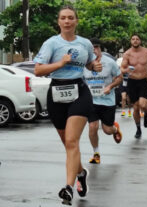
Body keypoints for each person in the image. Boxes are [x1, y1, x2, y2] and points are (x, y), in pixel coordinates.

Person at [33, 5, 102, 205]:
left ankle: (68, 188)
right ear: (59, 21)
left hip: (79, 92)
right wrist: (59, 64)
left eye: (71, 18)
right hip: (56, 93)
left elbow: (89, 63)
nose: (67, 21)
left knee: (72, 142)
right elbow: (38, 70)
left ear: (76, 21)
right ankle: (81, 173)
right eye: (63, 18)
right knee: (68, 145)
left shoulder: (85, 43)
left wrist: (94, 66)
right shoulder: (51, 44)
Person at [84, 38, 123, 164]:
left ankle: (115, 129)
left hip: (107, 101)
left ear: (100, 49)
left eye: (96, 47)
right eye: (91, 48)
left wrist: (110, 86)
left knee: (107, 130)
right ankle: (96, 153)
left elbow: (119, 78)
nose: (94, 50)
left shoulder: (110, 62)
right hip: (92, 101)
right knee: (92, 127)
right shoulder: (84, 65)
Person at [121, 34, 147, 139]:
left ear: (140, 41)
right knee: (135, 108)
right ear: (130, 41)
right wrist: (126, 70)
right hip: (132, 82)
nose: (135, 41)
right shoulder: (127, 54)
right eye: (133, 39)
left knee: (142, 104)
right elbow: (122, 68)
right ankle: (138, 129)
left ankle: (146, 113)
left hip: (143, 81)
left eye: (137, 39)